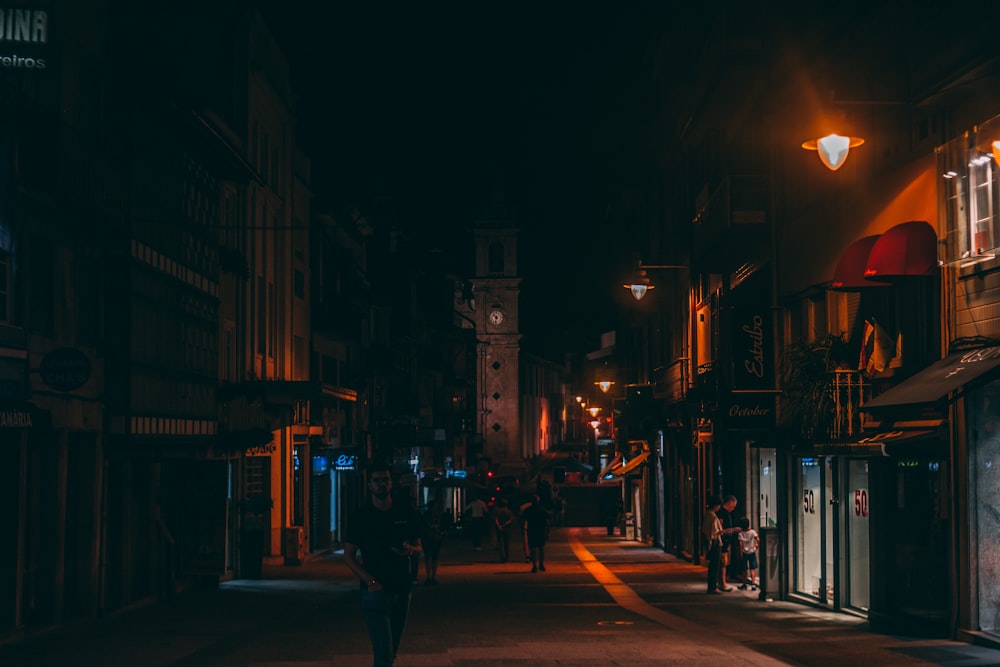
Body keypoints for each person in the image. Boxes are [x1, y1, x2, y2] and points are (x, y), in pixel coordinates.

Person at [342, 464, 423, 667]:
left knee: (392, 650)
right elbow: (349, 555)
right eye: (376, 480)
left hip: (402, 588)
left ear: (390, 482)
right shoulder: (361, 516)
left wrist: (409, 550)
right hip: (375, 591)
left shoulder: (405, 511)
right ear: (369, 484)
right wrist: (370, 580)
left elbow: (419, 546)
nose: (381, 484)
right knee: (384, 653)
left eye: (385, 480)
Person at [716, 495, 740, 591]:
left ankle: (722, 582)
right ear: (729, 503)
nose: (733, 508)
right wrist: (733, 530)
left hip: (726, 542)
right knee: (723, 563)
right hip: (723, 542)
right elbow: (720, 528)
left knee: (724, 562)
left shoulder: (726, 513)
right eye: (733, 506)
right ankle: (723, 583)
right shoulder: (722, 513)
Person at [522, 494, 550, 572]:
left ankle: (534, 565)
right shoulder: (543, 510)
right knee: (541, 548)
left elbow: (523, 519)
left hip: (532, 530)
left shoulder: (528, 510)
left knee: (533, 549)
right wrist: (548, 532)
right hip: (541, 530)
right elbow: (547, 521)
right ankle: (541, 564)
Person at [421, 500, 447, 585]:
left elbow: (442, 526)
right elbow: (426, 525)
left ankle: (433, 576)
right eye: (435, 506)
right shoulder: (427, 515)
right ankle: (429, 576)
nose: (436, 508)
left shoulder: (439, 515)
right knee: (428, 557)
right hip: (428, 539)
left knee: (435, 557)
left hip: (436, 538)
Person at [702, 495, 724, 595]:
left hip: (710, 542)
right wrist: (726, 531)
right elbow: (715, 532)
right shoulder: (712, 516)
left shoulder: (707, 514)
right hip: (714, 542)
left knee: (713, 565)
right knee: (715, 565)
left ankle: (712, 586)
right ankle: (713, 587)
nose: (719, 507)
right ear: (716, 505)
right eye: (719, 505)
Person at [736, 516, 760, 591]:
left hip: (744, 552)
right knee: (752, 568)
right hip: (752, 552)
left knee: (744, 569)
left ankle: (744, 584)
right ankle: (753, 584)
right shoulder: (753, 532)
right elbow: (758, 540)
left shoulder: (741, 533)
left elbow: (740, 544)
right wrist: (756, 547)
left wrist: (740, 553)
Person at [493, 497, 515, 562]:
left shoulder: (496, 510)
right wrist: (504, 525)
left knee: (500, 542)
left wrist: (499, 526)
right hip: (506, 528)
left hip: (498, 528)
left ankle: (501, 556)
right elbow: (510, 520)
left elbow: (495, 519)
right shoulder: (508, 511)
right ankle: (506, 556)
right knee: (506, 543)